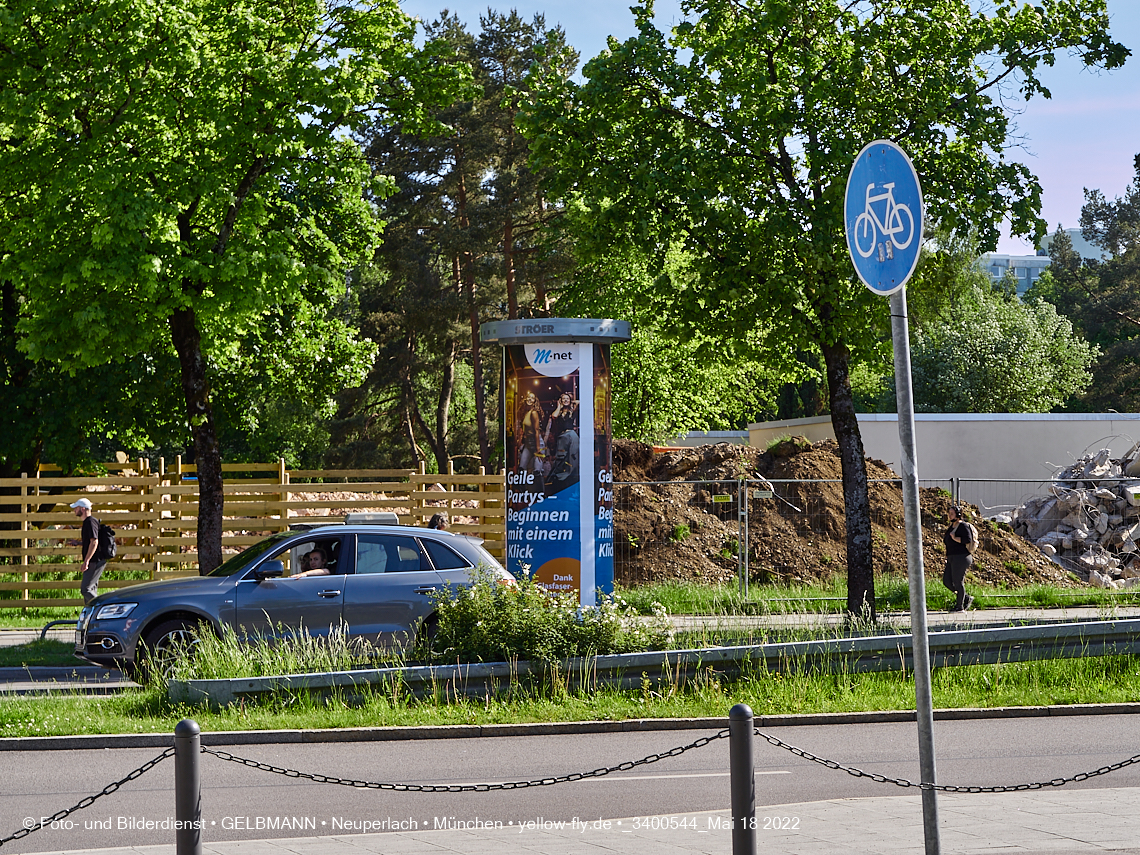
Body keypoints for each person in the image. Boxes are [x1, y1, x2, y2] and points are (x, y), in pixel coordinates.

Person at [71, 498, 106, 605]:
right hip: (95, 560)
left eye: (76, 508)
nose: (74, 510)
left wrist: (87, 561)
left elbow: (94, 542)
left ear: (83, 509)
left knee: (86, 589)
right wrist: (78, 543)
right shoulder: (89, 522)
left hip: (94, 561)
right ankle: (92, 613)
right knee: (91, 589)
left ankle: (104, 607)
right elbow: (90, 542)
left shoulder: (90, 522)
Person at [943, 505, 975, 612]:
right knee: (947, 581)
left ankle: (959, 606)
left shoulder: (963, 526)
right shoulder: (951, 527)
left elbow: (968, 539)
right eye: (949, 513)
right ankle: (966, 598)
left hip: (961, 557)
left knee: (958, 581)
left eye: (952, 514)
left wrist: (955, 538)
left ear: (958, 515)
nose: (949, 515)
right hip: (952, 558)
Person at [544, 391, 579, 481]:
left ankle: (570, 476)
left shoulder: (572, 411)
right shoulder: (558, 412)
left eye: (567, 399)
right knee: (560, 457)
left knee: (573, 456)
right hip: (562, 436)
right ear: (561, 400)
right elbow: (554, 416)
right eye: (564, 399)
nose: (566, 400)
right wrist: (559, 405)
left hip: (571, 435)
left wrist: (571, 401)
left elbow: (579, 402)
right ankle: (557, 477)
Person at [516, 391, 544, 473]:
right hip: (528, 443)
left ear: (534, 401)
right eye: (529, 397)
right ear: (525, 399)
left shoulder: (534, 413)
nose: (530, 399)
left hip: (537, 442)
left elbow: (536, 431)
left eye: (532, 398)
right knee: (521, 468)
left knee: (537, 471)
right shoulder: (526, 413)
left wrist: (538, 449)